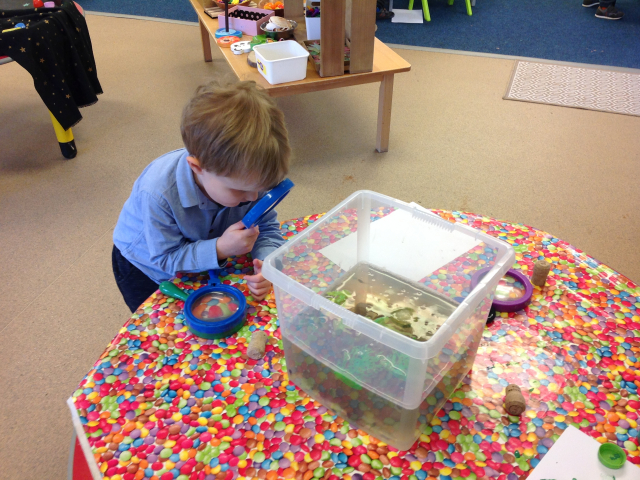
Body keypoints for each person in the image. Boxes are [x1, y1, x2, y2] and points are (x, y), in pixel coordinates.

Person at [112, 80, 291, 312]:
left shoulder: (248, 176)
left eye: (261, 187)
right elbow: (166, 259)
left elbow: (266, 227)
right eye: (241, 190)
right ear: (198, 168)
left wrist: (267, 263)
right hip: (145, 265)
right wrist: (220, 248)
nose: (254, 197)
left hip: (202, 251)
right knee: (164, 328)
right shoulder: (157, 193)